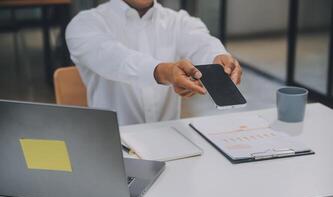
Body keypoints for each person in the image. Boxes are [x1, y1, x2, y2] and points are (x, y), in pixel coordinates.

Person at [66, 0, 242, 125]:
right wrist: (162, 72)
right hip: (113, 147)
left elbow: (203, 44)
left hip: (172, 145)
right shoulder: (85, 24)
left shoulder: (179, 21)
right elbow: (116, 59)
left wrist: (218, 59)